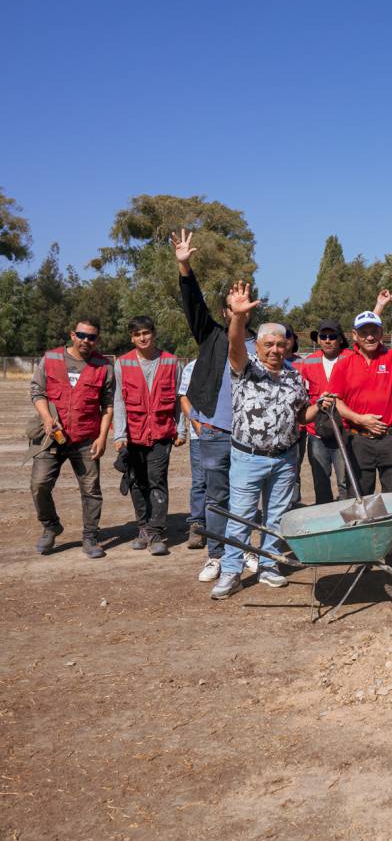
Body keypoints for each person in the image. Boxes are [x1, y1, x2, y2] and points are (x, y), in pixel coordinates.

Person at [211, 282, 330, 600]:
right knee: (242, 516)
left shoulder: (294, 377)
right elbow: (234, 343)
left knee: (277, 516)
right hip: (248, 457)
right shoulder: (244, 369)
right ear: (258, 346)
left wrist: (321, 406)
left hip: (284, 457)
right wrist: (238, 317)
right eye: (269, 344)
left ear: (288, 346)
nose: (276, 349)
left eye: (281, 344)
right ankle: (231, 571)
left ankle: (268, 565)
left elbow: (301, 416)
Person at [173, 228, 253, 583]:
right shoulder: (211, 335)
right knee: (216, 495)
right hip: (214, 432)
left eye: (244, 304)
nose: (237, 309)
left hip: (251, 436)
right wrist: (185, 268)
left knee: (248, 495)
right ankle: (217, 555)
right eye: (230, 306)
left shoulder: (267, 342)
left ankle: (249, 550)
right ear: (225, 310)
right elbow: (193, 307)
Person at [29, 317, 114, 559]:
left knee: (91, 490)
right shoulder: (51, 358)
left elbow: (107, 406)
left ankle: (90, 536)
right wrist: (47, 418)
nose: (87, 340)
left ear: (97, 339)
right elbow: (37, 391)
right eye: (82, 335)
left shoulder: (104, 367)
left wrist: (103, 437)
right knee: (39, 484)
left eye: (92, 337)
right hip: (52, 437)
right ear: (73, 335)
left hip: (87, 437)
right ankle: (50, 525)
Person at [326, 296, 392, 496]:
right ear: (354, 335)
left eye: (374, 331)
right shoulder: (343, 365)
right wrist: (360, 419)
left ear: (382, 333)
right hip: (359, 440)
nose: (369, 337)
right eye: (364, 332)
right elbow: (335, 400)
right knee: (360, 497)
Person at [112, 316, 186, 556]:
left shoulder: (172, 362)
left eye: (146, 332)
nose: (143, 338)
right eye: (137, 334)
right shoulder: (122, 364)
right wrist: (119, 434)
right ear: (132, 338)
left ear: (154, 334)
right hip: (133, 434)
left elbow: (179, 399)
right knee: (136, 482)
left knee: (157, 480)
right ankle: (142, 527)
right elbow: (119, 402)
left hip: (162, 434)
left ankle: (155, 531)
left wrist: (181, 429)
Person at [297, 319, 351, 504]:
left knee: (346, 481)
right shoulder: (308, 363)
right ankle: (326, 519)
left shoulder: (351, 357)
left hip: (344, 431)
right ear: (318, 339)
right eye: (324, 336)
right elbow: (302, 397)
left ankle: (349, 521)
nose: (328, 340)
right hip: (316, 433)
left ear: (341, 339)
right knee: (320, 481)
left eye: (332, 336)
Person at [178, 359, 207, 548]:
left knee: (227, 482)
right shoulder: (194, 366)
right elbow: (184, 397)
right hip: (201, 436)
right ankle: (197, 524)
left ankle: (224, 526)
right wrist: (198, 426)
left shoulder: (233, 363)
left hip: (229, 436)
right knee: (200, 481)